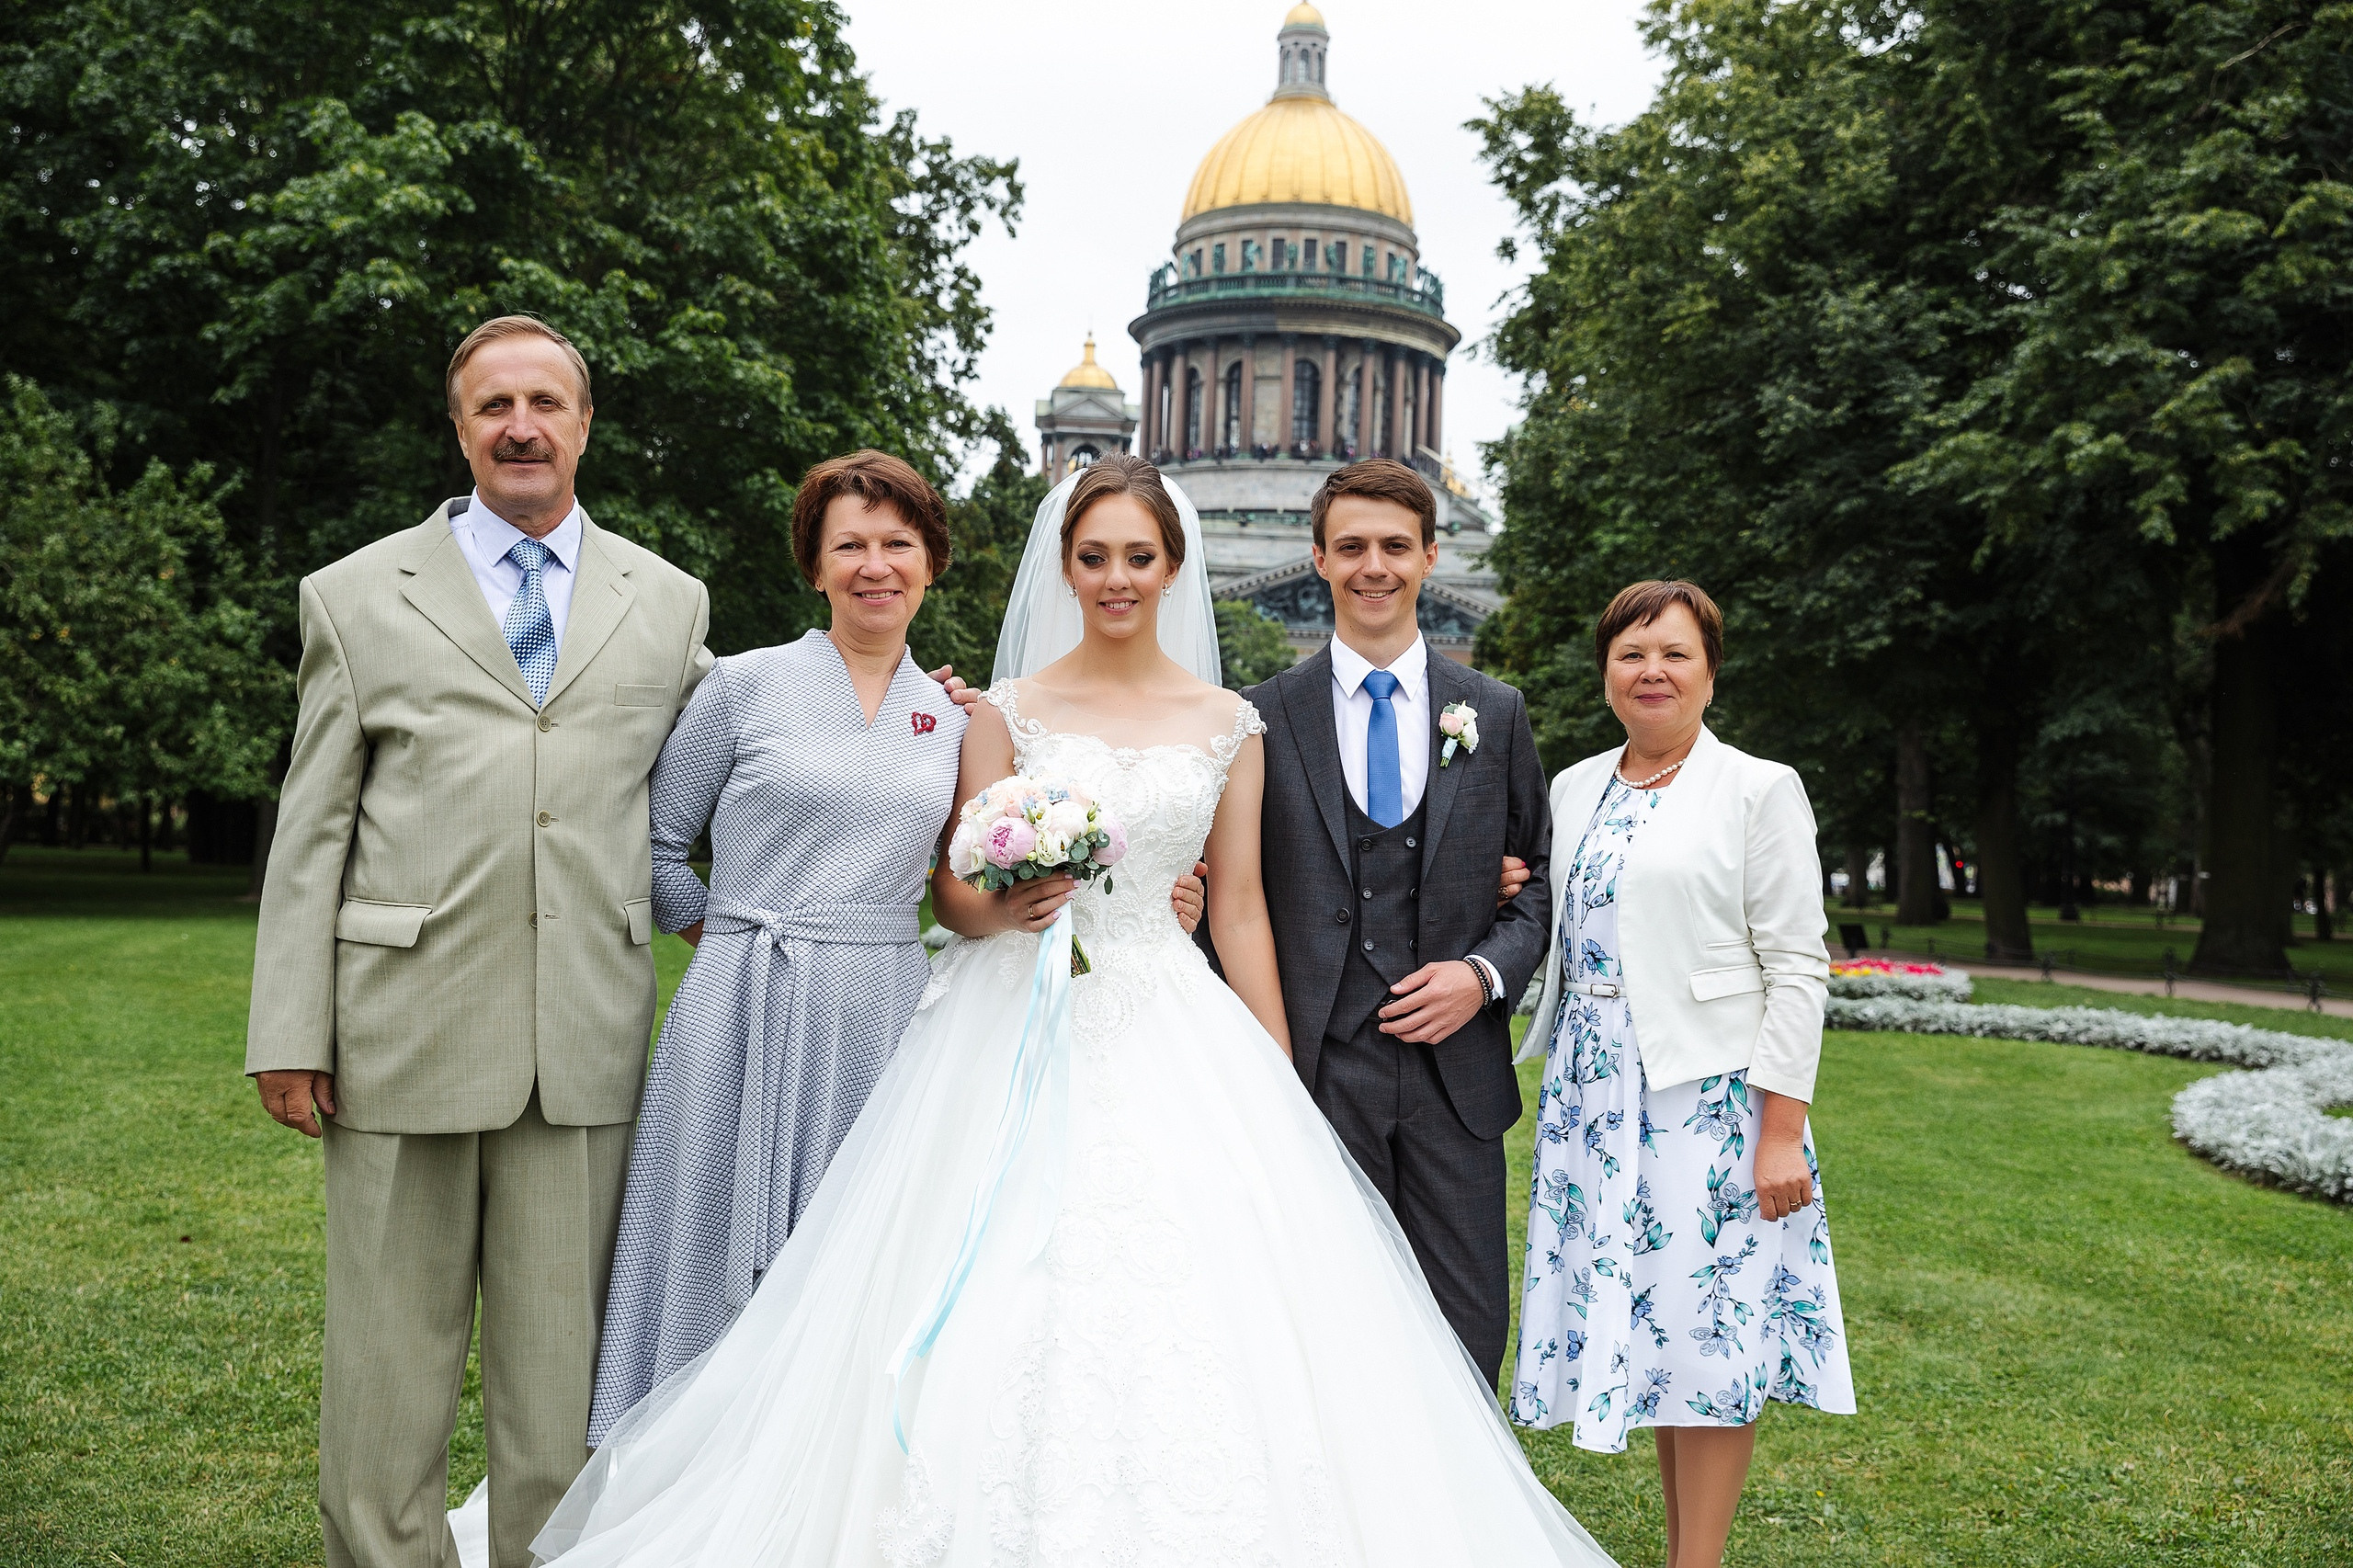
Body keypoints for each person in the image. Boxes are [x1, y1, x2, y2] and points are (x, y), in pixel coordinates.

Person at [529, 456, 1617, 1565]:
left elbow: (1239, 910)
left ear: (1171, 568)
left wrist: (1275, 1082)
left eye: (1138, 557)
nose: (1115, 578)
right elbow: (949, 886)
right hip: (1009, 1016)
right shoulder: (1003, 713)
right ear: (1065, 566)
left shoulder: (1230, 723)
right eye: (1094, 557)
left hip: (1167, 1015)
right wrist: (1008, 903)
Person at [244, 315, 715, 1568]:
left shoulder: (667, 604)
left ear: (584, 423)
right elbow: (312, 831)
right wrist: (288, 1030)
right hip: (400, 1028)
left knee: (559, 1387)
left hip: (588, 1034)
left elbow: (751, 757)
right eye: (495, 404)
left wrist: (923, 722)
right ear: (459, 428)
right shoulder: (353, 596)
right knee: (388, 1373)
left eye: (545, 402)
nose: (521, 425)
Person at [1509, 581, 1853, 1568]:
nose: (1650, 670)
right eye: (1630, 654)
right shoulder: (1575, 786)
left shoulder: (1757, 787)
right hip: (1594, 1095)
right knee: (1659, 1337)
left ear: (1709, 669)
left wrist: (1781, 1128)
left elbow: (1796, 961)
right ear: (1605, 672)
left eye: (1673, 653)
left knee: (1707, 1338)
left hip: (1708, 1102)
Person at [1216, 458, 1552, 1384]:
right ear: (1318, 558)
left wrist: (1478, 975)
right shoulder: (1256, 718)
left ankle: (1455, 1522)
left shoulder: (1493, 711)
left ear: (1430, 556)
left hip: (1455, 1078)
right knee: (1322, 1322)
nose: (1375, 565)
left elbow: (1536, 886)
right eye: (1352, 546)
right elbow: (1228, 886)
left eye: (1395, 546)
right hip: (1319, 1069)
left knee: (1469, 1320)